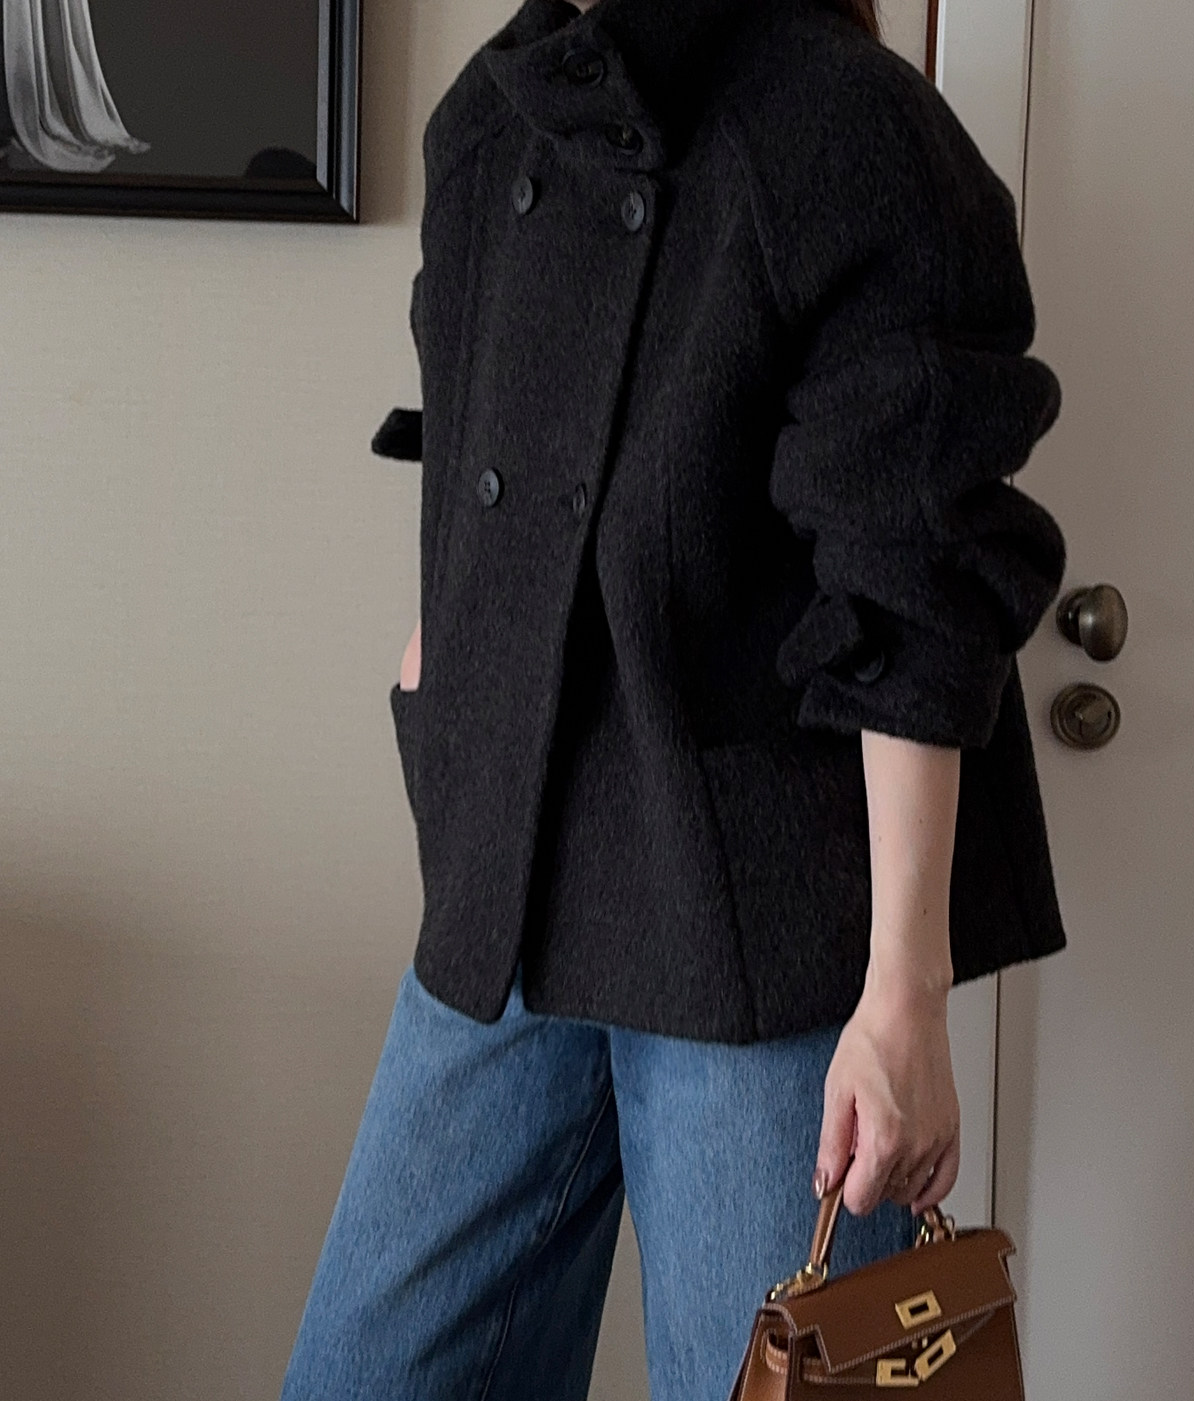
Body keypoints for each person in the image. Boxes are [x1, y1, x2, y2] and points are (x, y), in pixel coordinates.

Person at [281, 0, 1068, 1397]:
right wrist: (439, 685)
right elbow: (473, 448)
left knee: (766, 1379)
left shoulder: (850, 124)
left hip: (761, 933)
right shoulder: (492, 118)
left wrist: (905, 991)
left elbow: (916, 579)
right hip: (509, 907)